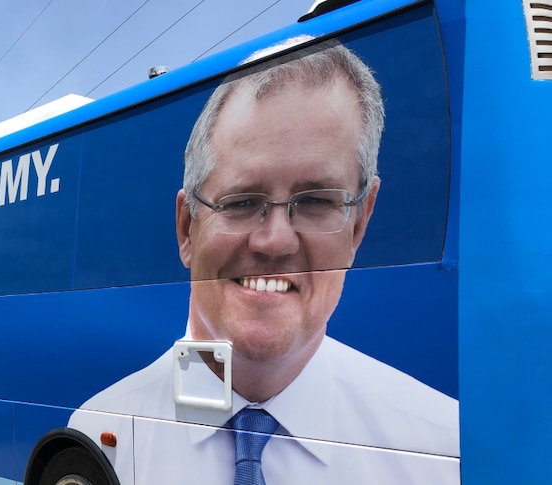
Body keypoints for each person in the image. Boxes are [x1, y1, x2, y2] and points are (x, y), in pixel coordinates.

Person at [68, 37, 459, 484]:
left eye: (315, 201)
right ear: (186, 229)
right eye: (240, 201)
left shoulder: (444, 451)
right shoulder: (104, 429)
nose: (274, 241)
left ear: (358, 224)